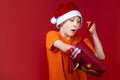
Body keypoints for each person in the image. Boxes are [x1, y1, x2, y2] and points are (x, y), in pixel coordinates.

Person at [46, 1, 105, 80]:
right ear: (61, 22)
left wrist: (94, 34)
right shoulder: (52, 35)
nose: (76, 25)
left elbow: (101, 56)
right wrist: (83, 51)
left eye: (78, 21)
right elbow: (64, 47)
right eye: (71, 20)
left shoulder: (81, 39)